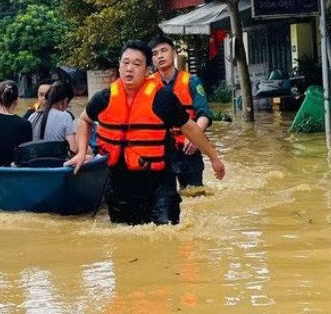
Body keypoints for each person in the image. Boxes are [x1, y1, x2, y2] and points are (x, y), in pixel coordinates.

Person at [65, 40, 226, 225]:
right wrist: (81, 153)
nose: (129, 68)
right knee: (124, 241)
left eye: (136, 64)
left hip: (158, 186)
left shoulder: (163, 99)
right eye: (125, 63)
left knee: (166, 236)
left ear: (147, 70)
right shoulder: (105, 98)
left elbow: (190, 128)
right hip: (120, 185)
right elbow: (84, 120)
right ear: (119, 66)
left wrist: (214, 158)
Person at [150, 35, 213, 190]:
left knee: (194, 194)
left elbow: (203, 114)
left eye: (164, 51)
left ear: (174, 53)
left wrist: (195, 137)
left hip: (187, 148)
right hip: (160, 150)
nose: (160, 56)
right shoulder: (147, 85)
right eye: (155, 53)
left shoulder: (191, 82)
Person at [28, 80, 78, 154]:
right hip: (57, 163)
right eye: (68, 104)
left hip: (35, 162)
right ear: (65, 100)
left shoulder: (32, 116)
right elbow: (73, 150)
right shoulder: (66, 116)